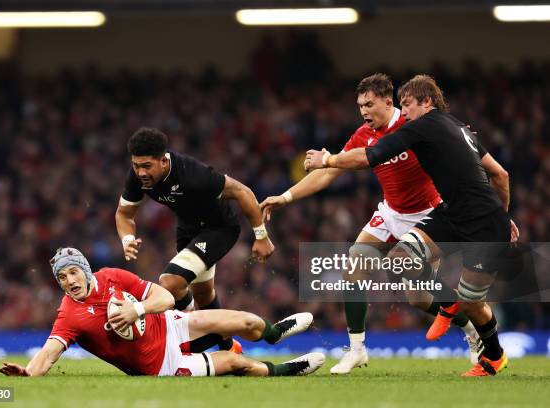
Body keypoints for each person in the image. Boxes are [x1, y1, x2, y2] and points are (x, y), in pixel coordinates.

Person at [260, 73, 481, 374]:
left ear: (388, 102)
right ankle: (356, 350)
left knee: (418, 297)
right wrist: (285, 197)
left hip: (428, 217)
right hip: (390, 213)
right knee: (354, 264)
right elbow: (328, 172)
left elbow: (450, 138)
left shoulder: (415, 126)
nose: (363, 112)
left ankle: (472, 330)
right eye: (359, 106)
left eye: (369, 104)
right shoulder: (364, 134)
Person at [304, 74, 519, 377]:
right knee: (400, 259)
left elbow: (371, 156)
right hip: (451, 213)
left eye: (407, 106)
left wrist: (328, 159)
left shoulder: (424, 126)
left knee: (472, 302)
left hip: (481, 222)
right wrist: (505, 215)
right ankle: (447, 306)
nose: (402, 113)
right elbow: (501, 175)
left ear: (427, 102)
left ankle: (493, 355)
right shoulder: (457, 127)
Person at [0, 248, 324, 378]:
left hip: (171, 325)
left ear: (84, 270)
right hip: (161, 366)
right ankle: (285, 371)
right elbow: (48, 353)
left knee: (246, 320)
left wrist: (136, 309)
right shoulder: (69, 315)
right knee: (237, 363)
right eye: (62, 278)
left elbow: (165, 296)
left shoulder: (113, 276)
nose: (69, 281)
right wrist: (28, 373)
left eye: (72, 273)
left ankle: (274, 334)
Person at [115, 127, 275, 353]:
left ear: (163, 161)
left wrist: (261, 236)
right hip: (188, 230)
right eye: (136, 165)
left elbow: (242, 191)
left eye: (146, 166)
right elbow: (124, 214)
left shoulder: (194, 175)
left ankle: (192, 324)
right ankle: (228, 347)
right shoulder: (138, 177)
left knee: (171, 281)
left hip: (218, 229)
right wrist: (127, 238)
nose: (140, 172)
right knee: (203, 293)